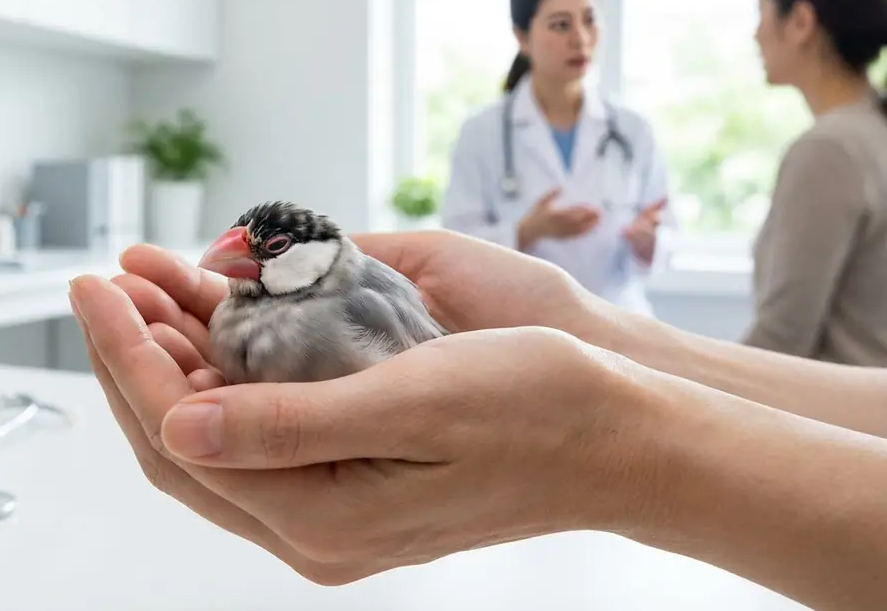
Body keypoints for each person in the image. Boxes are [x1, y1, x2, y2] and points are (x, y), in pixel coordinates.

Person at [72, 232, 887, 611]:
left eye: (271, 246)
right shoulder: (251, 303)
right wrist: (602, 345)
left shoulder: (347, 305)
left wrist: (609, 436)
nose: (243, 258)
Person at [440, 0, 675, 316]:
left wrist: (649, 242)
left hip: (618, 318)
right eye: (560, 25)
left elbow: (667, 231)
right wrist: (527, 230)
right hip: (524, 323)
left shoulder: (633, 130)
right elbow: (457, 245)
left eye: (589, 20)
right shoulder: (482, 133)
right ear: (522, 37)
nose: (580, 38)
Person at [741, 0, 887, 366]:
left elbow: (780, 340)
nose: (755, 33)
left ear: (801, 21)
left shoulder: (829, 151)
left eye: (762, 12)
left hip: (840, 421)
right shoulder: (872, 130)